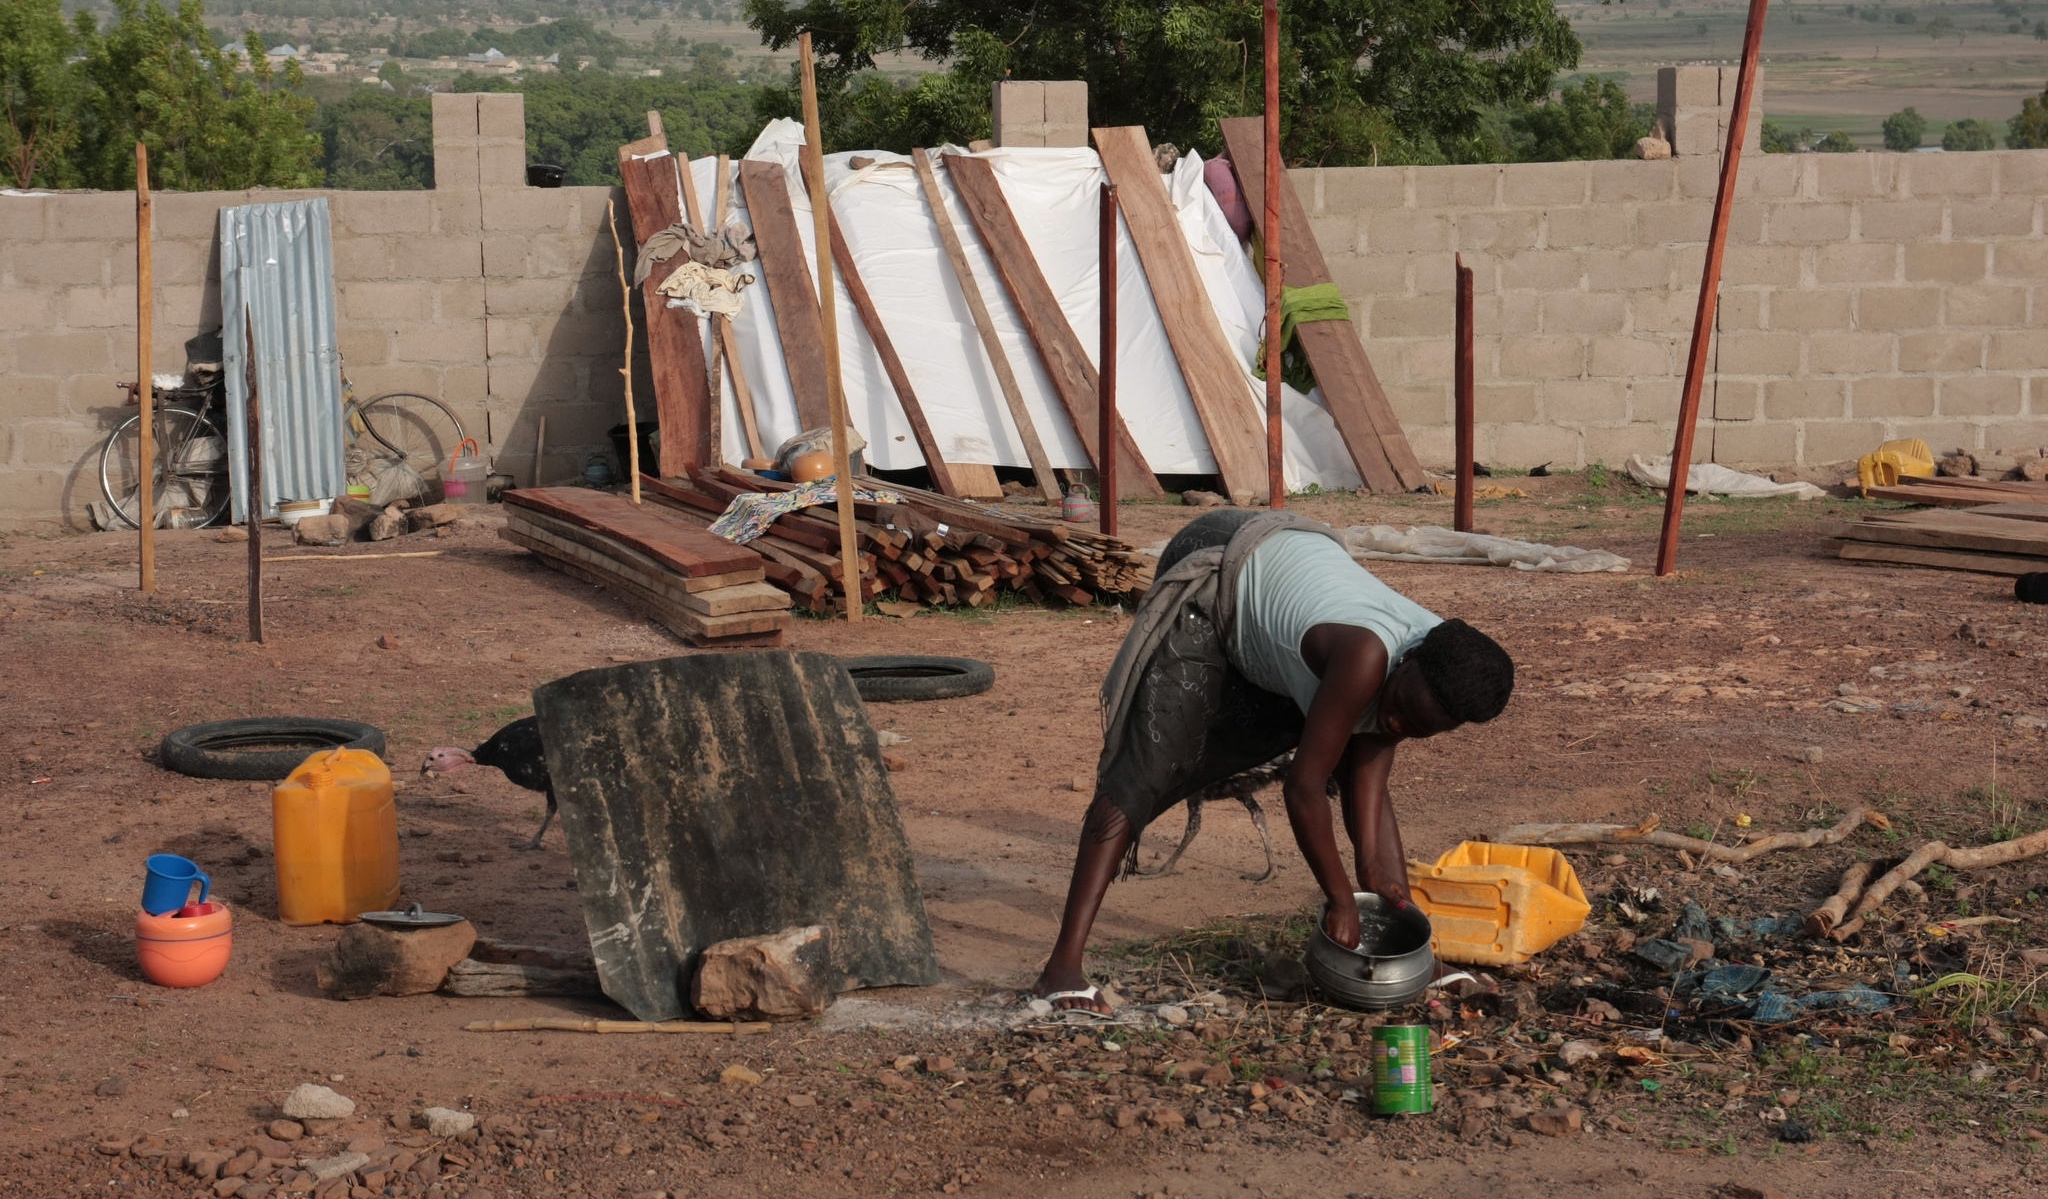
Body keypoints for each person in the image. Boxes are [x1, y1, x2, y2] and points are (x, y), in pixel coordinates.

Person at [1032, 510, 1514, 1014]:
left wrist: (1400, 919)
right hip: (1222, 560)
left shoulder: (1442, 663)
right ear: (1407, 662)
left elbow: (1369, 782)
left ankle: (1414, 958)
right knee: (1144, 772)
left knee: (1351, 748)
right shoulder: (1367, 655)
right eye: (1397, 709)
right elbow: (1303, 789)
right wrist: (1340, 899)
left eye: (1415, 728)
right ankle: (1061, 968)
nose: (1394, 724)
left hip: (1286, 573)